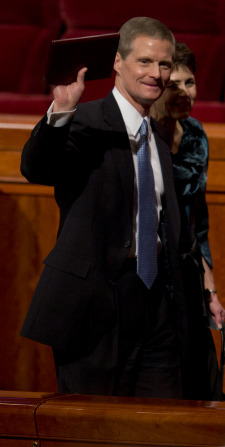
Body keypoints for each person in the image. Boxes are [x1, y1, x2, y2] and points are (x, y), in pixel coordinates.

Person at [20, 17, 188, 399]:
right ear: (117, 62)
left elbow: (170, 225)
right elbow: (35, 168)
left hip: (156, 306)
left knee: (161, 428)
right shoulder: (83, 122)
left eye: (164, 64)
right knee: (92, 432)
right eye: (144, 61)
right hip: (93, 309)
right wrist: (61, 109)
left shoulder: (160, 141)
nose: (156, 73)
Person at [151, 41, 225, 400]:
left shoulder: (196, 135)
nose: (185, 93)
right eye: (175, 84)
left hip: (188, 268)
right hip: (152, 272)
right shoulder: (142, 137)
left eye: (190, 83)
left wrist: (209, 286)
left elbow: (197, 219)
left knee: (204, 381)